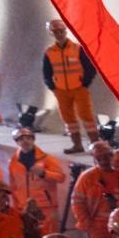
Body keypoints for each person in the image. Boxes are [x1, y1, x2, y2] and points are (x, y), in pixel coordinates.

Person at [42, 19, 96, 153]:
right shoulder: (49, 52)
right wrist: (52, 86)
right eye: (56, 32)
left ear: (65, 31)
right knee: (68, 118)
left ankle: (96, 146)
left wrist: (84, 83)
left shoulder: (78, 48)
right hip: (60, 90)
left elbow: (90, 68)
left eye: (61, 31)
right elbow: (46, 72)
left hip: (79, 88)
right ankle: (77, 145)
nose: (59, 34)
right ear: (51, 33)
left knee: (86, 116)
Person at [7, 126, 68, 230]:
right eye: (21, 139)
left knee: (48, 234)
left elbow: (61, 178)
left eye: (28, 138)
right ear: (17, 142)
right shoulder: (13, 162)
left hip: (45, 206)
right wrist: (16, 207)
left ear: (33, 139)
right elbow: (13, 187)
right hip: (24, 207)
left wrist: (44, 173)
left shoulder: (47, 159)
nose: (25, 141)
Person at [72, 140, 119, 238]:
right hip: (99, 227)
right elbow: (77, 201)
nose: (104, 161)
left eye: (106, 156)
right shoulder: (87, 177)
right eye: (99, 158)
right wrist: (88, 224)